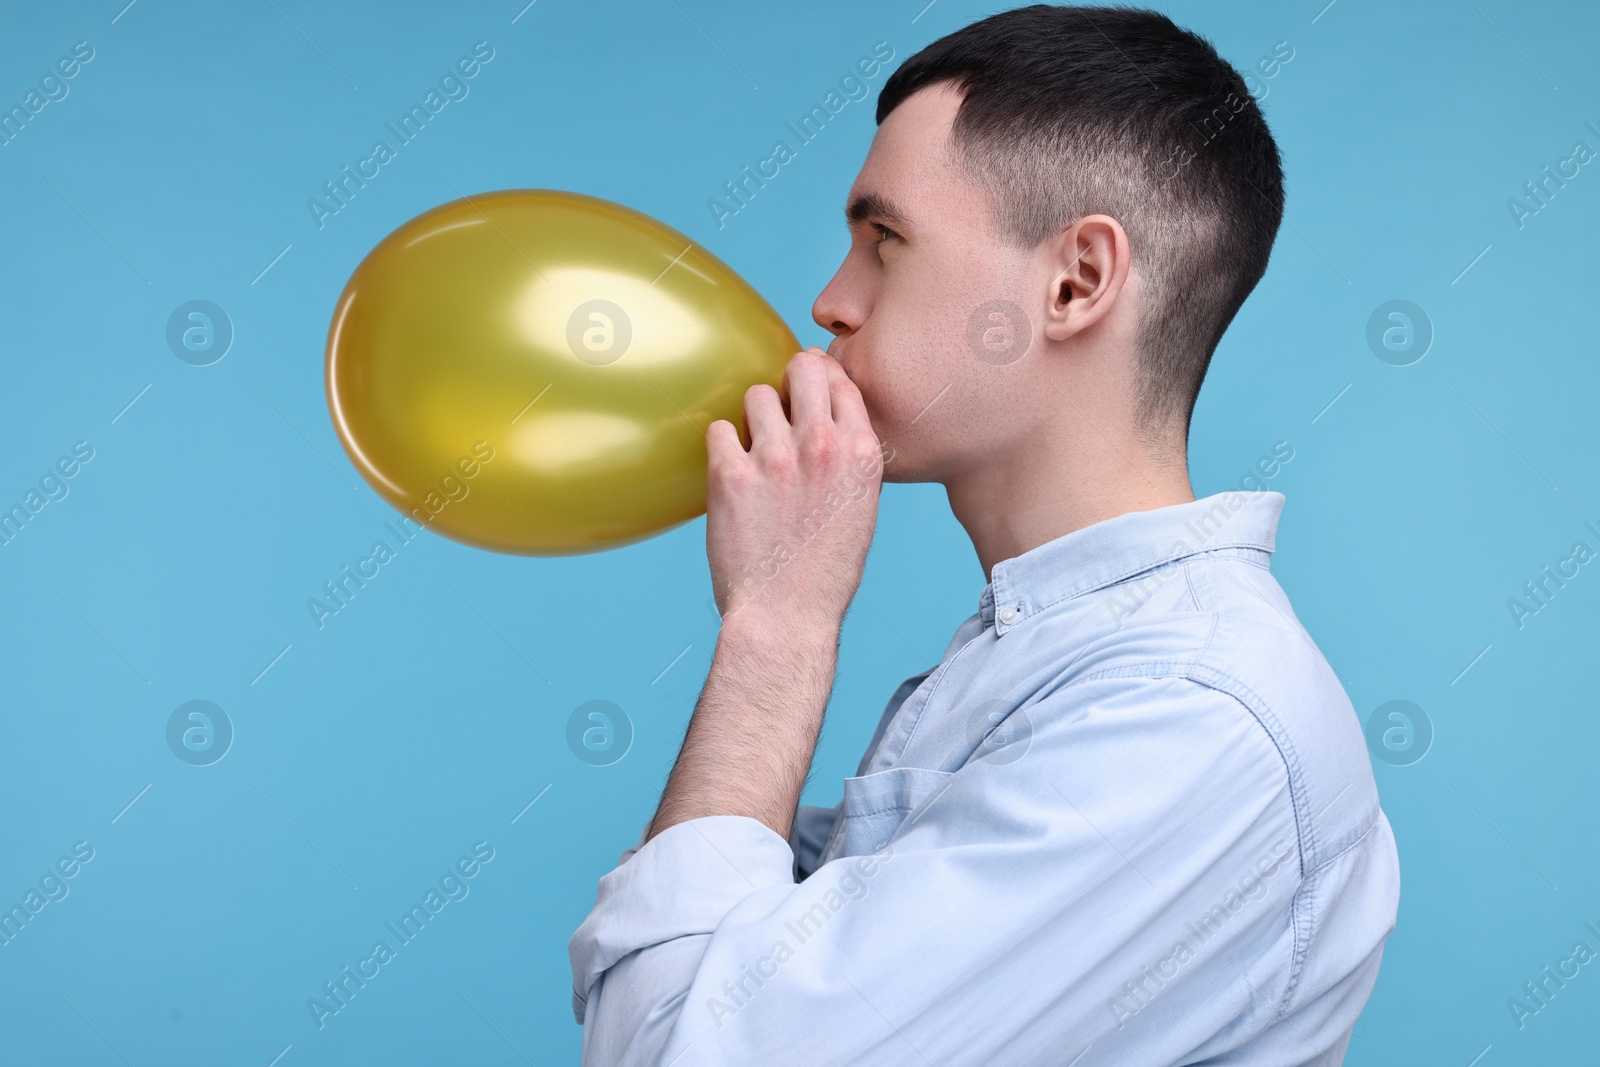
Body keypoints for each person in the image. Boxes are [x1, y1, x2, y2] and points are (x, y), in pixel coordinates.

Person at [568, 5, 1399, 1064]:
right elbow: (715, 959)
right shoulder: (1049, 663)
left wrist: (775, 623)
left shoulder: (1187, 721)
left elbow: (677, 1047)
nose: (829, 301)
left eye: (884, 242)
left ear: (1074, 283)